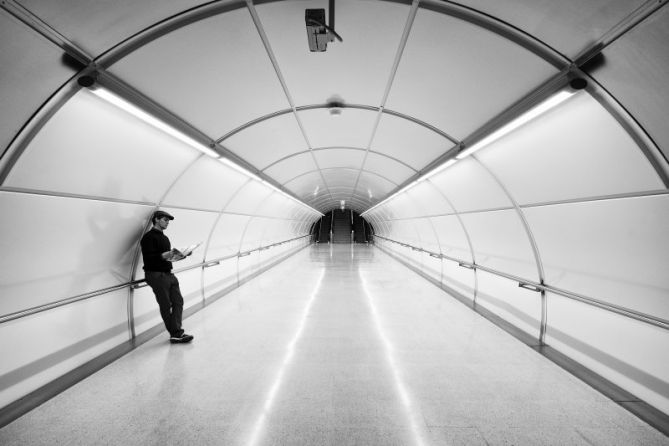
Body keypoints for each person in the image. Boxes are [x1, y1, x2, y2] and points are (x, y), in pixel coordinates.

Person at [140, 210, 194, 344]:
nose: (167, 222)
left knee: (178, 302)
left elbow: (168, 258)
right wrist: (166, 254)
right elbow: (149, 258)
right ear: (157, 220)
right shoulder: (148, 238)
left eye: (168, 221)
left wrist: (182, 255)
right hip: (156, 275)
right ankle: (176, 333)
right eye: (165, 219)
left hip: (168, 274)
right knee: (166, 305)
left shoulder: (165, 238)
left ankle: (176, 332)